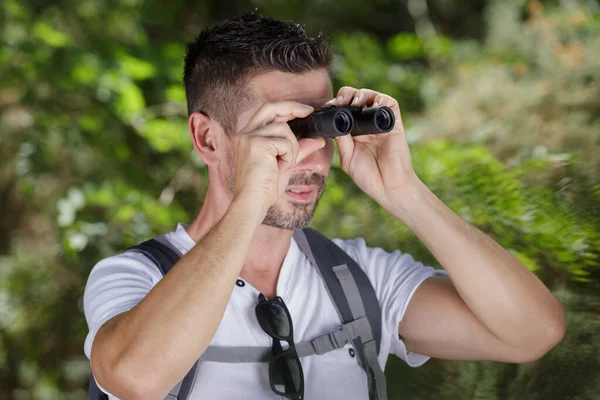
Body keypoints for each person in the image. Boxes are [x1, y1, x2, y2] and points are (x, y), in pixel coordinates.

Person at [83, 12, 566, 400]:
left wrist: (405, 193)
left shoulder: (359, 278)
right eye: (284, 129)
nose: (311, 154)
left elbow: (532, 332)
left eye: (322, 126)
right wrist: (253, 196)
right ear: (207, 139)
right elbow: (135, 378)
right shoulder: (134, 278)